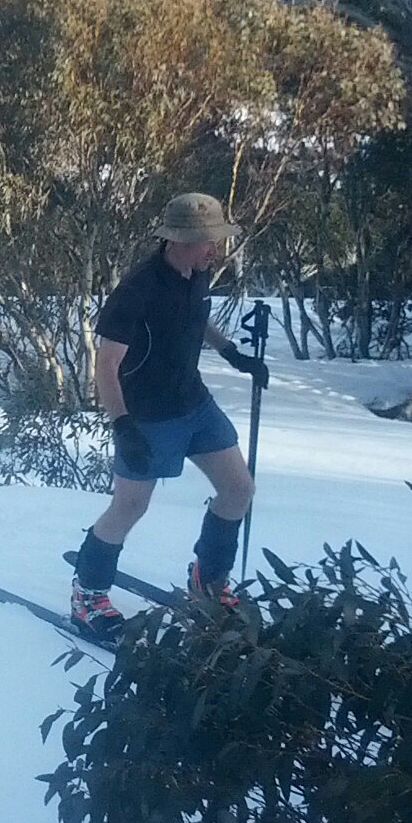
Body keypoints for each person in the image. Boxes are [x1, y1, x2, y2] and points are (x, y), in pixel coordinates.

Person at [70, 192, 269, 642]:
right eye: (207, 242)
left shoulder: (197, 273)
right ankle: (88, 596)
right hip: (147, 416)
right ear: (180, 240)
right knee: (130, 505)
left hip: (193, 403)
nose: (214, 249)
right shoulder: (137, 290)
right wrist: (122, 425)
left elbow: (196, 319)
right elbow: (105, 365)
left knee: (239, 489)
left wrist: (233, 354)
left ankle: (209, 582)